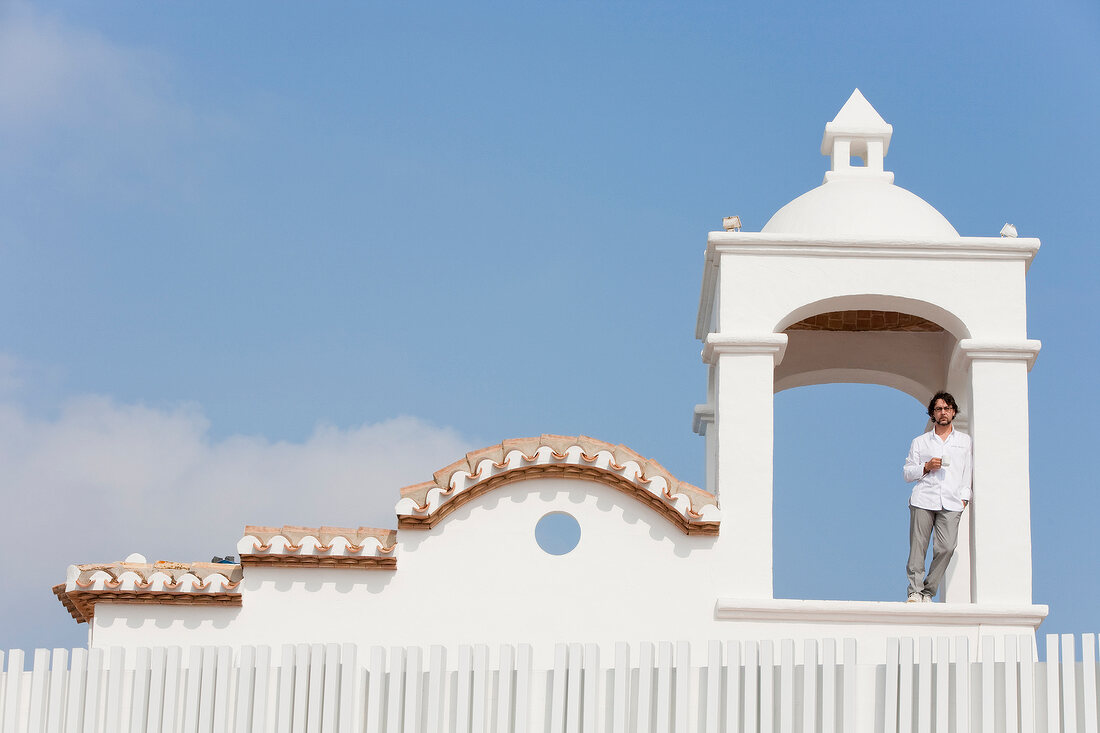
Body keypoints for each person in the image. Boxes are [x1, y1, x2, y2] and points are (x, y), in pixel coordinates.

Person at [902, 392, 972, 603]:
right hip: (923, 498)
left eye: (947, 408)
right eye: (939, 408)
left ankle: (928, 590)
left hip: (951, 501)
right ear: (932, 413)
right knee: (918, 547)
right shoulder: (920, 442)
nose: (943, 412)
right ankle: (914, 590)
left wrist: (964, 498)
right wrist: (926, 466)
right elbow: (907, 473)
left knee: (947, 547)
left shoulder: (964, 441)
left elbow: (967, 471)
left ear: (953, 412)